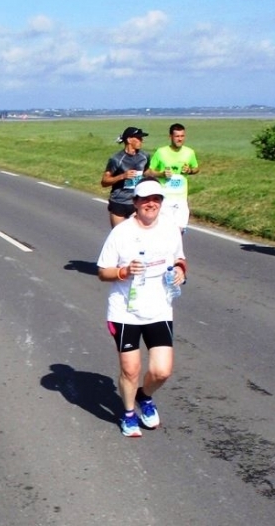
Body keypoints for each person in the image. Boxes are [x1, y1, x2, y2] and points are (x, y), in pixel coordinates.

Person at [96, 179, 187, 438]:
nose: (151, 204)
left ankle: (144, 396)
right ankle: (128, 415)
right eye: (145, 199)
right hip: (125, 311)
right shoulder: (121, 233)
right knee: (131, 369)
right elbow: (102, 272)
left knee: (162, 371)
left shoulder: (170, 229)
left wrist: (180, 270)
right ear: (135, 202)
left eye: (156, 199)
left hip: (159, 308)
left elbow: (180, 258)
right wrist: (124, 271)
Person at [147, 123, 200, 232]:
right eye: (177, 136)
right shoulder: (161, 152)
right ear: (170, 137)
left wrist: (189, 171)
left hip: (181, 199)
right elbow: (148, 172)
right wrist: (161, 174)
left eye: (182, 136)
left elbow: (196, 168)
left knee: (179, 232)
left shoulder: (189, 152)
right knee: (165, 231)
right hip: (165, 199)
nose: (180, 139)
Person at [100, 126, 150, 228]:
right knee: (118, 235)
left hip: (137, 202)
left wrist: (160, 175)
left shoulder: (145, 156)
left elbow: (146, 172)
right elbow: (104, 182)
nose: (142, 140)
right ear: (129, 140)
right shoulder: (116, 159)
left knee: (138, 234)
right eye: (139, 138)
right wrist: (122, 176)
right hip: (119, 202)